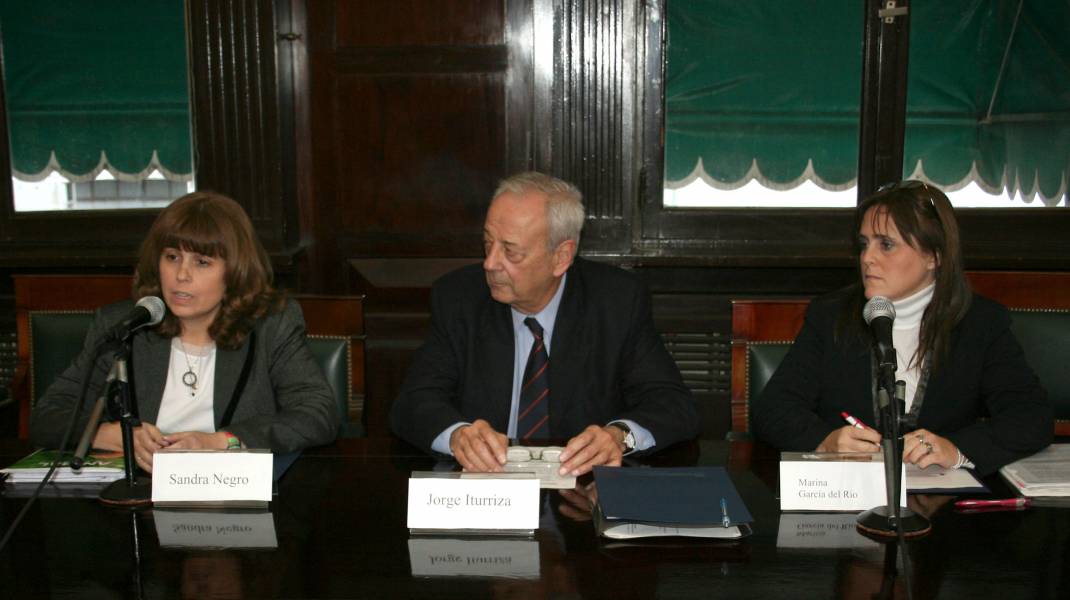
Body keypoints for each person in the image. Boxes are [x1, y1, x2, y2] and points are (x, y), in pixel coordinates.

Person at [390, 172, 698, 476]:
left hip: (581, 492)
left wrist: (620, 436)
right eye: (487, 243)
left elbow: (673, 405)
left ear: (561, 257)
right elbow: (413, 402)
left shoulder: (616, 301)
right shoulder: (459, 298)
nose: (490, 263)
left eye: (511, 251)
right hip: (486, 493)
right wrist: (457, 435)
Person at [752, 180, 1052, 476]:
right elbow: (773, 409)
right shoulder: (831, 316)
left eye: (886, 245)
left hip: (942, 510)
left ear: (934, 256)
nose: (867, 258)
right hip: (847, 500)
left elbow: (1031, 417)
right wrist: (825, 441)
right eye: (864, 244)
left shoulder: (980, 323)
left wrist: (955, 449)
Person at [29, 191, 339, 472]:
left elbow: (317, 414)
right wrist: (114, 435)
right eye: (172, 257)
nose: (181, 275)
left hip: (232, 502)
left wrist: (219, 441)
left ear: (234, 272)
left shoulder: (270, 325)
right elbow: (47, 416)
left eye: (202, 262)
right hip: (143, 501)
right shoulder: (125, 325)